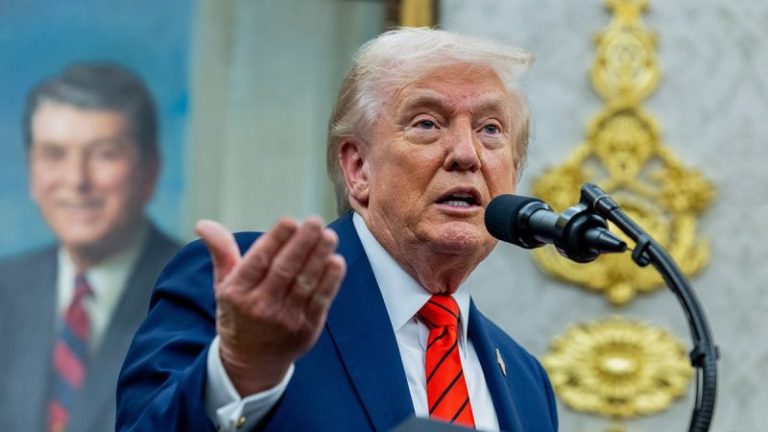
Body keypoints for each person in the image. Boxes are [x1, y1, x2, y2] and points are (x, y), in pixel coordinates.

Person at [117, 28, 558, 431]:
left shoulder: (526, 382)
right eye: (427, 123)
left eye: (490, 129)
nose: (467, 153)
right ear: (358, 168)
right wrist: (238, 370)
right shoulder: (250, 290)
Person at [0, 63, 180, 432]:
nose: (77, 180)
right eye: (54, 154)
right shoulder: (6, 288)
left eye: (104, 154)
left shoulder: (198, 293)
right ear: (32, 173)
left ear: (150, 170)